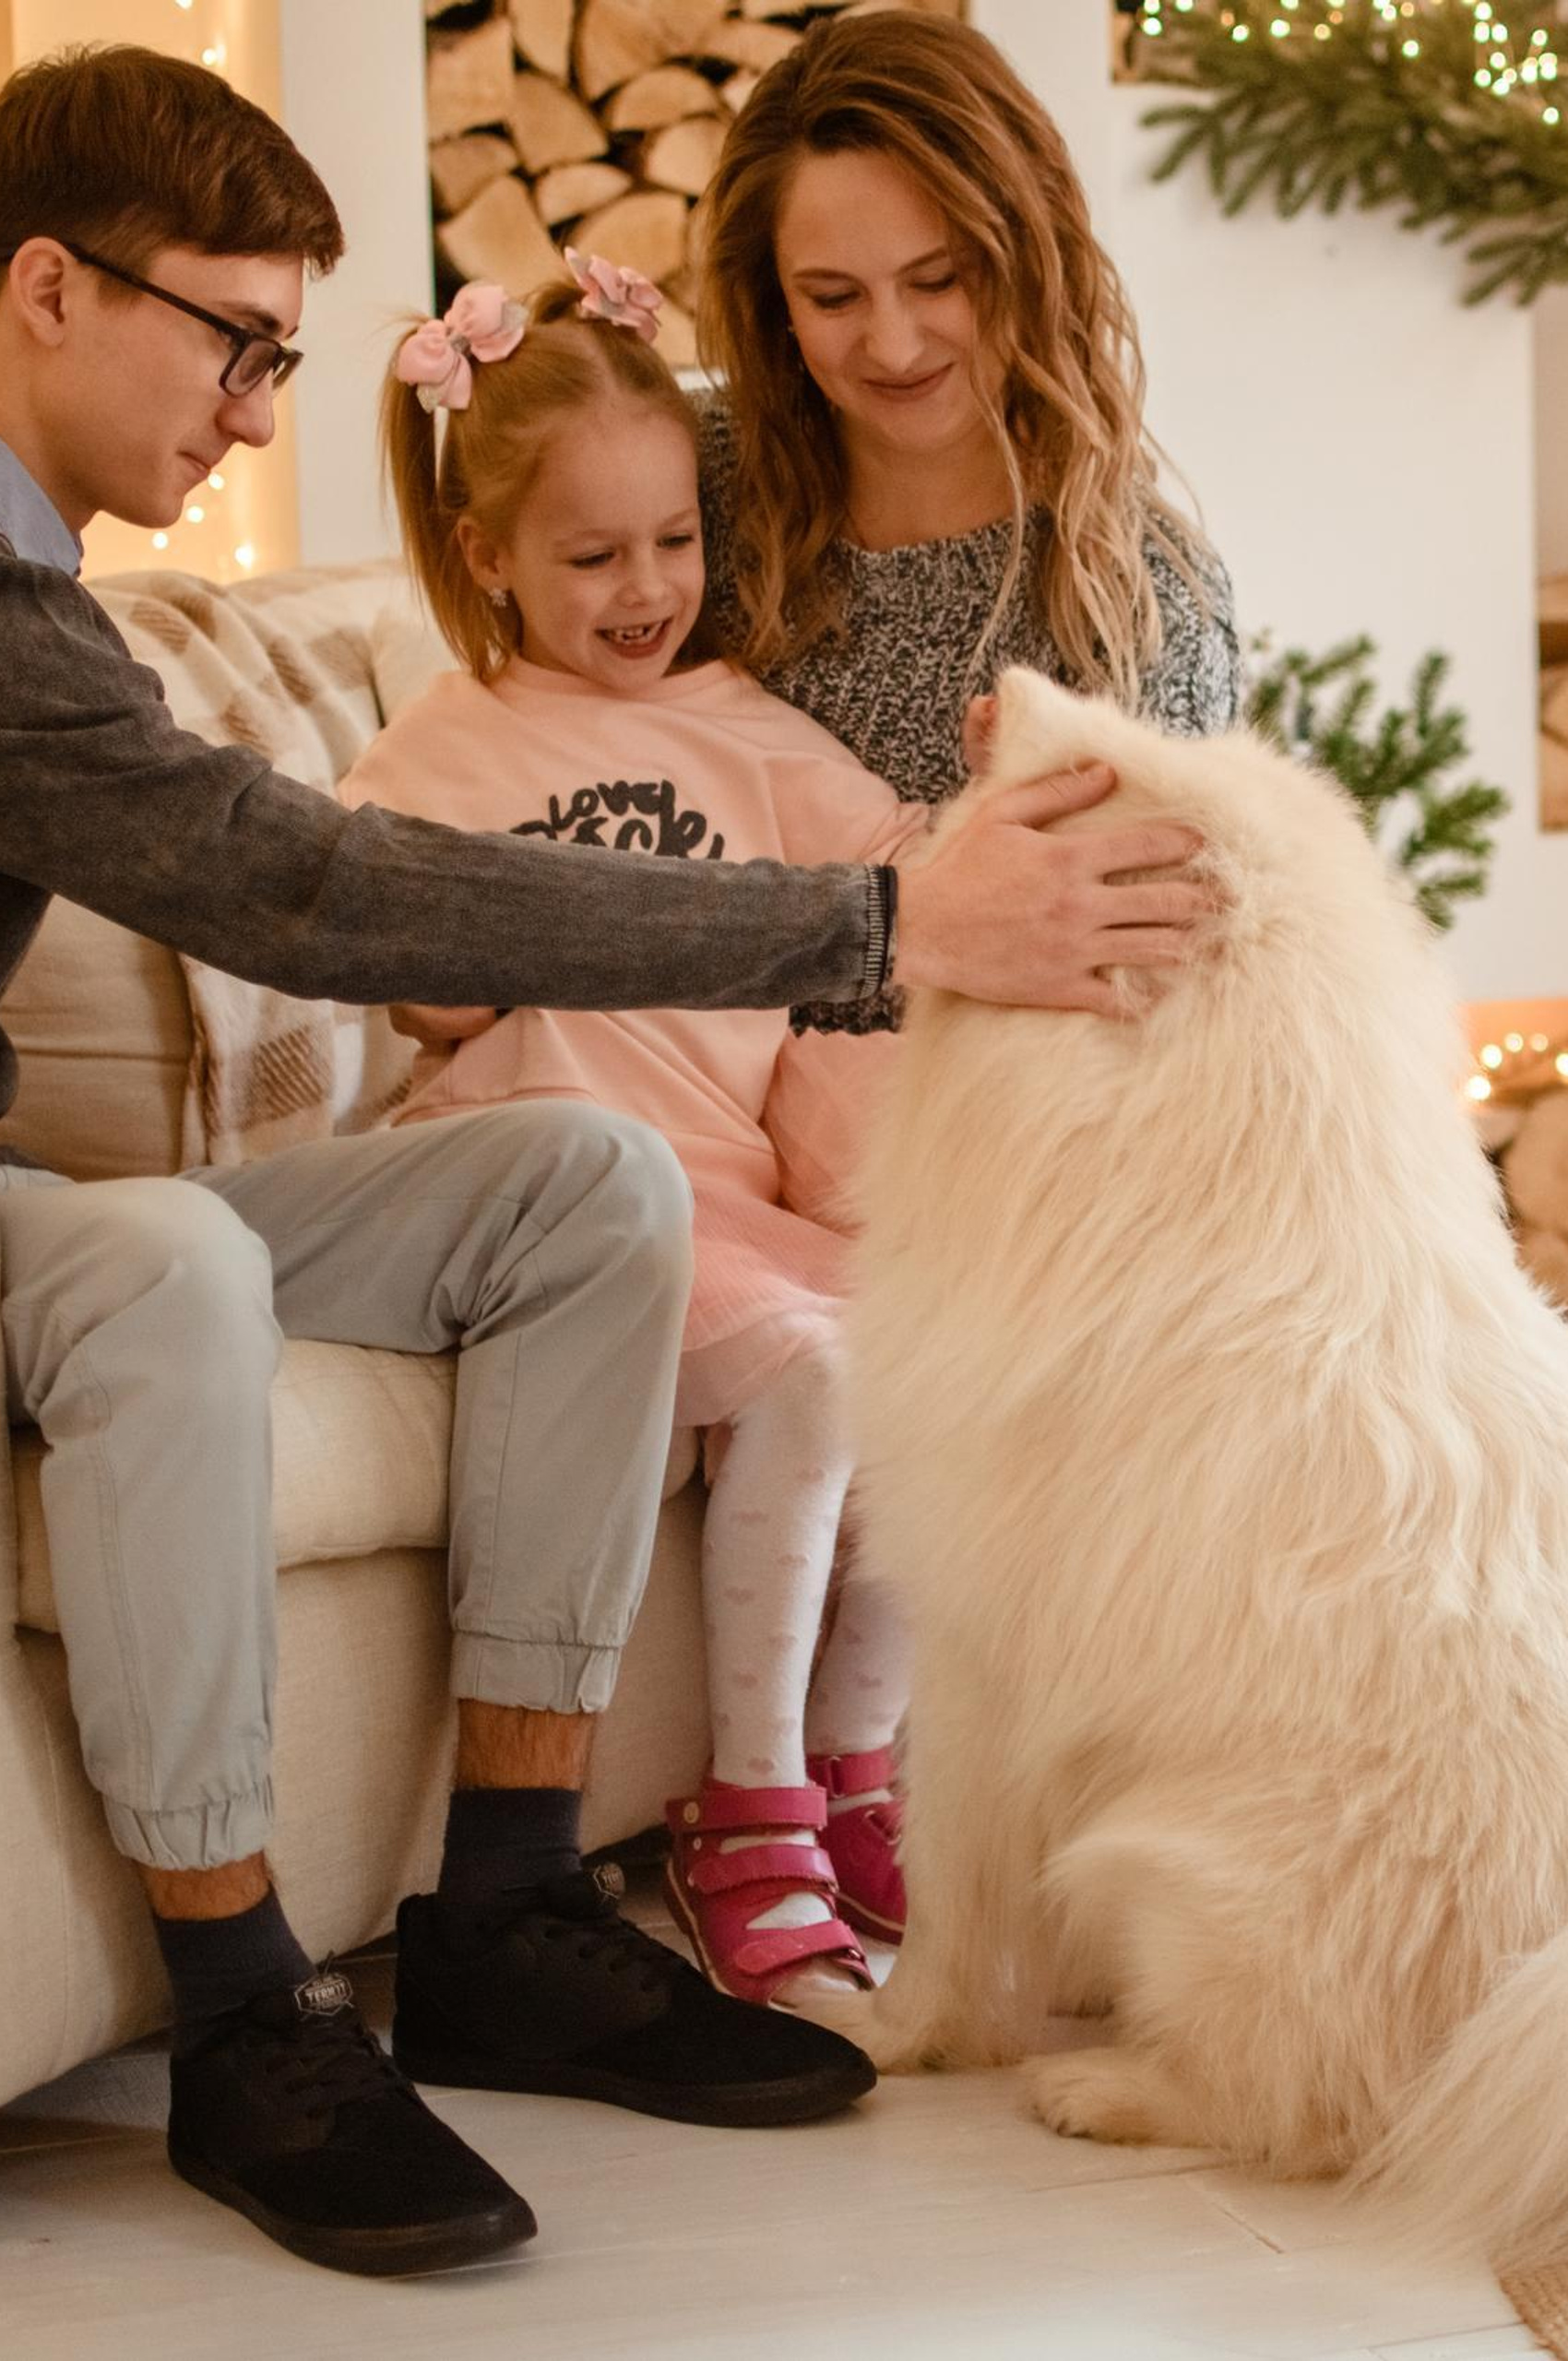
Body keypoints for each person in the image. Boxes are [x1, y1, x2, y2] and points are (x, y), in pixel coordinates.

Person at [0, 42, 1210, 2277]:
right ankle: (246, 2012)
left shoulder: (50, 593)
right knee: (161, 1255)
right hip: (59, 1233)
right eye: (237, 342)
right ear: (51, 291)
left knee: (583, 1175)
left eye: (287, 357)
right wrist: (871, 918)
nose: (263, 413)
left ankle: (509, 1897)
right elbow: (302, 884)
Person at [342, 254, 921, 2009]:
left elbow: (912, 879)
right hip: (575, 1227)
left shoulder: (754, 738)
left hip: (742, 1208)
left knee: (945, 1364)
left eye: (673, 541)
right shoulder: (442, 752)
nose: (646, 589)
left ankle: (854, 1765)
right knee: (821, 1382)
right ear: (487, 556)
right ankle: (744, 1810)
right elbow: (399, 981)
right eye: (591, 557)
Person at [695, 7, 1241, 825]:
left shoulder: (1143, 603)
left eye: (939, 279)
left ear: (1028, 257)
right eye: (833, 296)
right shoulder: (677, 489)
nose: (894, 346)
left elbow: (1165, 941)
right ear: (775, 300)